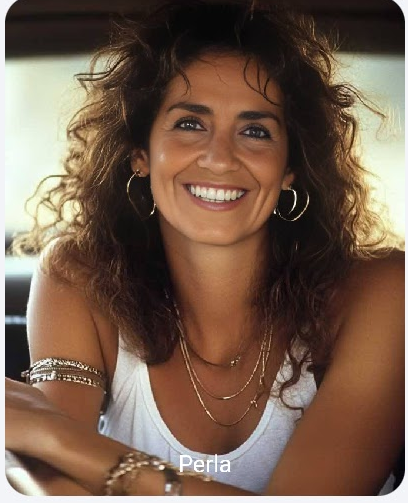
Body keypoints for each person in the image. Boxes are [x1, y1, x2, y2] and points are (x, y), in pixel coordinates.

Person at [5, 0, 404, 496]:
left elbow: (49, 443)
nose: (219, 158)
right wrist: (52, 444)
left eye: (255, 131)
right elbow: (48, 481)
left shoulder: (382, 291)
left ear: (289, 170)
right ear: (140, 154)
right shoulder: (80, 276)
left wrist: (61, 439)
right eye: (189, 124)